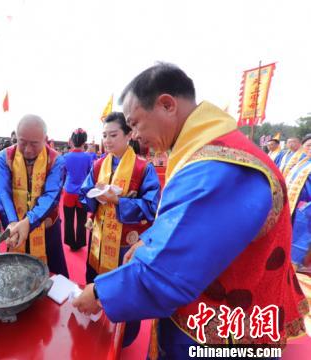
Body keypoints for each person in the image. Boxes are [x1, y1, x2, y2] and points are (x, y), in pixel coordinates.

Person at [72, 63, 307, 357]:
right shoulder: (204, 152)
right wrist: (150, 241)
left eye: (134, 124)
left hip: (217, 331)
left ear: (167, 105)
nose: (134, 135)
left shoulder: (219, 167)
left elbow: (171, 272)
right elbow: (187, 223)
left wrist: (99, 292)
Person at [78, 112, 160, 347]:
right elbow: (85, 195)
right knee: (95, 282)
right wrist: (95, 196)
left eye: (113, 135)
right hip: (99, 239)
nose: (108, 140)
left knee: (124, 289)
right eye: (104, 135)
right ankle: (96, 321)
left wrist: (118, 201)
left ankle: (124, 337)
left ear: (129, 135)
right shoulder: (97, 165)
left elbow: (151, 207)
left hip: (126, 242)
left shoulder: (143, 169)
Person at [0, 114, 69, 276]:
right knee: (15, 274)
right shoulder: (5, 157)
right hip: (13, 222)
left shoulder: (56, 160)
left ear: (45, 139)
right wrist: (13, 222)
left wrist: (29, 221)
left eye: (34, 144)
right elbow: (2, 192)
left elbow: (51, 196)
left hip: (46, 224)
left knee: (53, 274)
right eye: (22, 142)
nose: (28, 149)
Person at [285, 134, 311, 335]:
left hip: (306, 212)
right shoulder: (301, 163)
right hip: (294, 211)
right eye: (308, 145)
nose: (309, 148)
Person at [62, 128, 92, 251]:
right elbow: (90, 174)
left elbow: (63, 174)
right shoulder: (88, 157)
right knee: (81, 219)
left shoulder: (66, 156)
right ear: (84, 141)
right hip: (82, 193)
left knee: (68, 219)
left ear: (72, 141)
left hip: (68, 192)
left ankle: (70, 242)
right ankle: (80, 242)